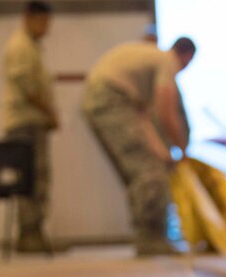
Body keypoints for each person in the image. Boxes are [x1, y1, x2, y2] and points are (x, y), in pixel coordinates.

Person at [82, 37, 195, 256]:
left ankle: (148, 235)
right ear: (185, 55)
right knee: (148, 171)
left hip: (102, 98)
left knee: (148, 166)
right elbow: (167, 113)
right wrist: (182, 150)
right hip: (110, 98)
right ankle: (150, 238)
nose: (182, 70)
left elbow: (142, 120)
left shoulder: (145, 71)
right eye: (187, 65)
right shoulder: (167, 61)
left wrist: (163, 154)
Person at [2, 1, 57, 253]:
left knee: (39, 177)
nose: (46, 28)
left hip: (33, 123)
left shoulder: (31, 46)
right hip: (25, 123)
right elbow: (27, 87)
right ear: (29, 18)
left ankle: (35, 233)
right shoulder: (21, 45)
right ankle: (29, 235)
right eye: (43, 22)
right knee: (31, 178)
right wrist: (49, 112)